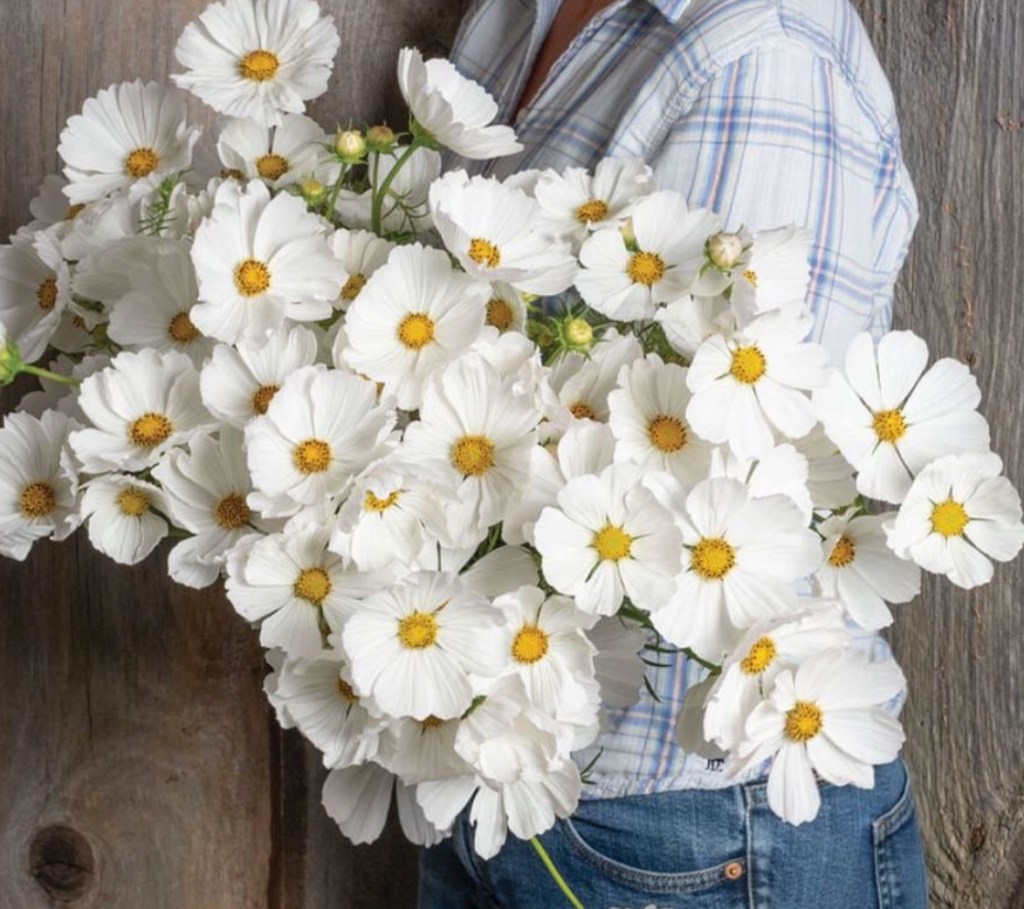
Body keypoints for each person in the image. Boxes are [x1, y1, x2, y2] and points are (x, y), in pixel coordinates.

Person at [418, 1, 929, 907]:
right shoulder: (515, 15)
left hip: (686, 824)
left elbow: (715, 478)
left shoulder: (762, 57)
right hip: (491, 757)